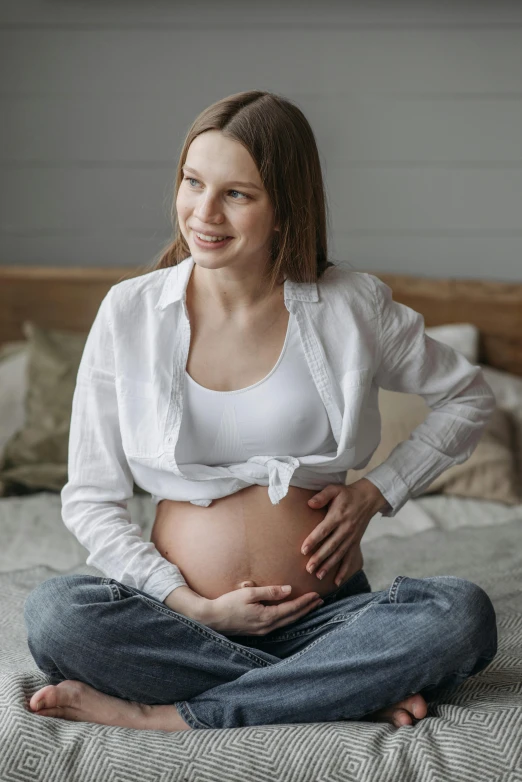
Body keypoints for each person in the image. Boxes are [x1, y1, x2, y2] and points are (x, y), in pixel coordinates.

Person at [23, 90, 498, 733]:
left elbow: (467, 397)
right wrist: (194, 607)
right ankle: (340, 689)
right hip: (180, 623)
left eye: (237, 194)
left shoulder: (353, 307)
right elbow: (90, 499)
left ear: (285, 206)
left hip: (327, 621)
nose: (203, 213)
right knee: (57, 614)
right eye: (193, 183)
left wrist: (378, 491)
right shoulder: (129, 313)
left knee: (460, 614)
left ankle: (169, 715)